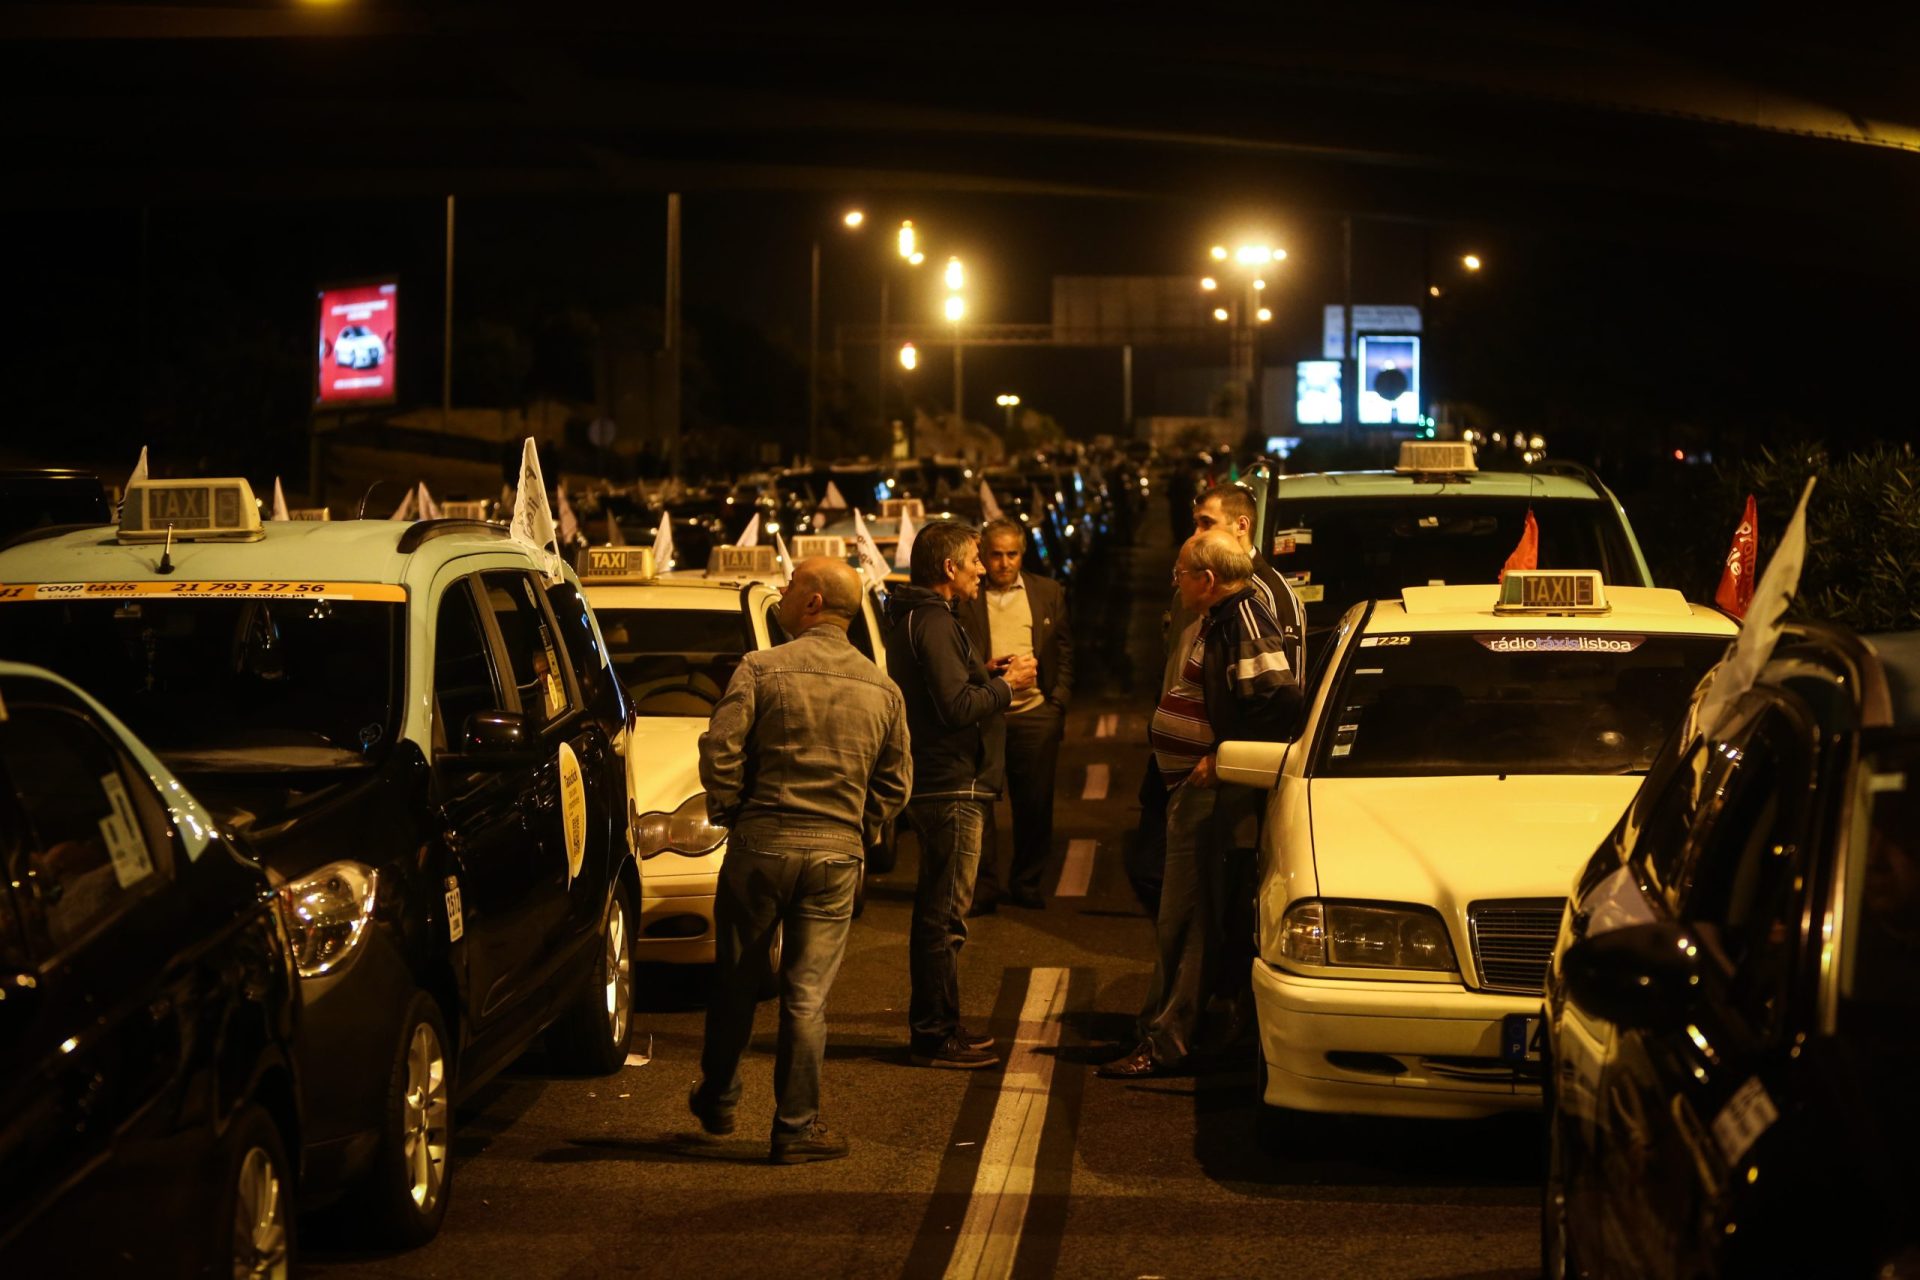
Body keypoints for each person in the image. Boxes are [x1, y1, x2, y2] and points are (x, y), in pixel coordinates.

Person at [691, 557, 911, 1164]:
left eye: (790, 588)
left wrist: (733, 808)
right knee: (807, 997)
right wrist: (858, 829)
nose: (782, 595)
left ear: (813, 603)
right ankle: (794, 1128)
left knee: (737, 978)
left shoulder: (761, 669)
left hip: (762, 842)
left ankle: (720, 1098)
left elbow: (722, 750)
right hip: (835, 854)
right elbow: (895, 785)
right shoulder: (882, 689)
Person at [1100, 531, 1301, 1079]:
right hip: (1192, 791)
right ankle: (1159, 1028)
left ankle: (1165, 1040)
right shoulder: (1223, 618)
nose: (1177, 581)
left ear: (1208, 580)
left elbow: (1280, 700)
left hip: (1211, 797)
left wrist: (1221, 756)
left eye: (1182, 572)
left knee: (1186, 920)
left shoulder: (1243, 620)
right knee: (1183, 916)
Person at [885, 521, 1038, 1069]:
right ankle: (933, 1034)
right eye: (974, 559)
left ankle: (942, 1023)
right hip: (950, 784)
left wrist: (984, 672)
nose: (981, 568)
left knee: (941, 911)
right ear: (949, 569)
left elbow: (947, 688)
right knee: (944, 917)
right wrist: (1006, 686)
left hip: (945, 780)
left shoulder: (925, 618)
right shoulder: (930, 620)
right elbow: (953, 708)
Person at [962, 518, 1073, 913]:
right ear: (983, 555)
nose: (1004, 563)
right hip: (985, 713)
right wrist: (983, 669)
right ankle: (983, 887)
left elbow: (1063, 649)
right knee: (980, 806)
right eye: (996, 554)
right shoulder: (968, 595)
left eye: (1012, 554)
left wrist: (1056, 702)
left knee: (1035, 806)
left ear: (1022, 555)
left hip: (1034, 715)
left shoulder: (1046, 592)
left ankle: (1027, 883)